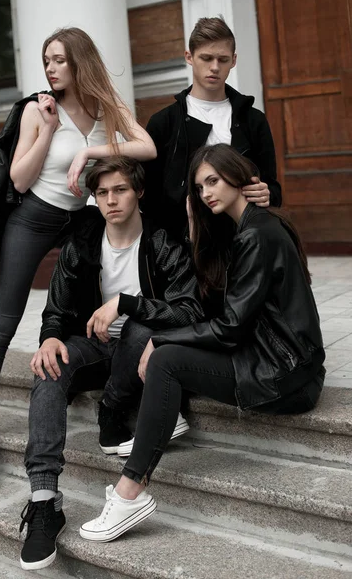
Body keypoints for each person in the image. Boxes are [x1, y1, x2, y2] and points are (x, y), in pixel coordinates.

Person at [79, 143, 325, 543]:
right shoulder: (248, 226)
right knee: (168, 356)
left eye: (213, 181)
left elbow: (229, 328)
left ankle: (130, 492)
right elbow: (211, 305)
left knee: (165, 360)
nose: (206, 192)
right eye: (199, 186)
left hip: (287, 374)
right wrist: (196, 232)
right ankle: (157, 426)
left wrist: (159, 339)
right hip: (278, 358)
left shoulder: (258, 235)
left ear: (239, 177)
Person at [0, 27, 157, 495]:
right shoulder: (37, 109)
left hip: (77, 222)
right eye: (47, 59)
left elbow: (146, 147)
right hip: (31, 221)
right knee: (1, 325)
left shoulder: (105, 106)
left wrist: (91, 147)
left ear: (80, 62)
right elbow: (21, 180)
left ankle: (108, 388)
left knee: (94, 298)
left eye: (59, 60)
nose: (50, 68)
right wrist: (48, 131)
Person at [18, 155, 203, 571]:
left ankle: (112, 411)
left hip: (141, 352)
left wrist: (126, 304)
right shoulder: (81, 245)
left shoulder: (161, 241)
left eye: (120, 190)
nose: (111, 200)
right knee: (48, 365)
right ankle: (45, 501)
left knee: (139, 326)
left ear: (138, 192)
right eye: (102, 193)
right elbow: (56, 310)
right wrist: (48, 338)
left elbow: (190, 309)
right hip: (94, 348)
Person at [142, 16, 281, 241]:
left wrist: (267, 194)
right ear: (189, 57)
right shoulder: (164, 123)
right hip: (181, 245)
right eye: (206, 58)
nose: (215, 67)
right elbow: (149, 196)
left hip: (242, 241)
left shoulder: (253, 120)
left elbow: (273, 189)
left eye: (223, 59)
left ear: (233, 60)